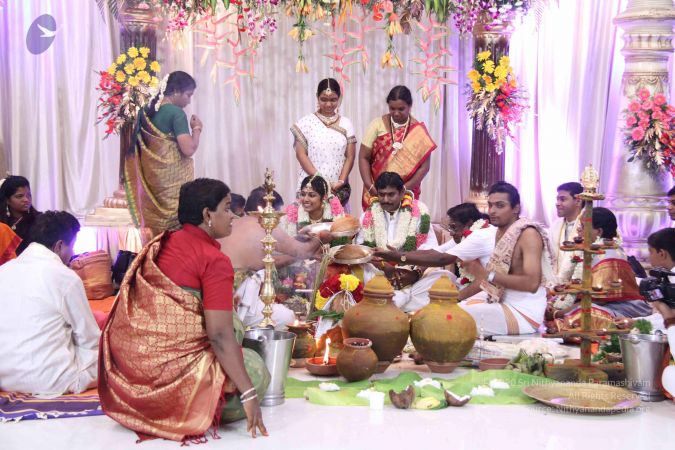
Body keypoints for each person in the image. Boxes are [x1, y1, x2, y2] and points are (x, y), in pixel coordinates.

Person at [99, 179, 269, 442]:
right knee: (256, 368)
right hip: (171, 376)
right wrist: (248, 393)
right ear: (207, 214)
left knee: (231, 323)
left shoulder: (161, 243)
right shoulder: (214, 260)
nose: (233, 216)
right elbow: (219, 335)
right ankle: (185, 409)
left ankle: (150, 408)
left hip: (129, 380)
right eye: (226, 208)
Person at [0, 211, 100, 396]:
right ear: (59, 246)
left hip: (5, 379)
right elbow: (89, 338)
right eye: (72, 246)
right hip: (50, 381)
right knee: (108, 350)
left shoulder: (3, 271)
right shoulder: (65, 277)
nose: (72, 253)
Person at [459, 182, 555, 336]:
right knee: (448, 309)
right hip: (500, 301)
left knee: (452, 318)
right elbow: (487, 280)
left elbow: (532, 284)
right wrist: (454, 298)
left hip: (523, 312)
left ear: (516, 208)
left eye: (500, 205)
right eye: (490, 205)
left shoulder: (528, 235)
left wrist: (487, 274)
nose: (492, 211)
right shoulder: (500, 232)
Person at [223, 186, 326, 329]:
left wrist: (297, 243)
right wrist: (324, 235)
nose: (278, 220)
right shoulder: (265, 224)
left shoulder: (233, 224)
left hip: (220, 297)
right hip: (236, 301)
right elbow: (304, 251)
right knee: (288, 317)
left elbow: (264, 261)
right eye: (278, 213)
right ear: (269, 210)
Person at [125, 71, 201, 236]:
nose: (189, 101)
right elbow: (188, 149)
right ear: (176, 91)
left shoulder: (145, 111)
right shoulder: (176, 113)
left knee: (156, 229)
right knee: (174, 228)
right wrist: (197, 129)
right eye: (188, 95)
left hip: (152, 182)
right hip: (171, 186)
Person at [374, 201, 497, 302]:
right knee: (442, 276)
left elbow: (441, 259)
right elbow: (434, 252)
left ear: (469, 224)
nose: (451, 233)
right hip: (471, 284)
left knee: (437, 295)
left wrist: (399, 257)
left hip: (487, 290)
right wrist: (414, 270)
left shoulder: (479, 235)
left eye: (454, 227)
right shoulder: (463, 236)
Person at [357, 172, 443, 312]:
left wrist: (413, 273)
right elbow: (362, 249)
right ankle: (396, 305)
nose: (386, 200)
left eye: (391, 194)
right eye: (381, 194)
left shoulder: (419, 212)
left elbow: (430, 250)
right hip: (378, 272)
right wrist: (381, 264)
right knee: (353, 272)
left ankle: (383, 306)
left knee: (442, 278)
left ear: (402, 192)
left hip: (412, 271)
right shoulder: (368, 215)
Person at [550, 207, 650, 320]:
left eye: (583, 226)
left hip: (621, 308)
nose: (578, 229)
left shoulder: (609, 256)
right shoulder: (591, 251)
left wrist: (558, 313)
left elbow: (597, 298)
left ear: (599, 232)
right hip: (599, 304)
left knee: (585, 313)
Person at [358, 85, 436, 209]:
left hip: (406, 192)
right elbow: (363, 157)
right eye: (392, 108)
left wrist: (403, 189)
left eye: (401, 109)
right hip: (377, 191)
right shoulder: (377, 125)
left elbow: (424, 167)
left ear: (410, 106)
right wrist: (370, 186)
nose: (396, 113)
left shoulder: (418, 131)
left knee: (405, 219)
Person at [291, 78, 356, 206]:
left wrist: (341, 181)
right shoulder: (306, 123)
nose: (328, 104)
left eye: (333, 100)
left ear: (339, 98)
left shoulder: (346, 123)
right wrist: (320, 180)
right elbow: (301, 154)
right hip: (311, 186)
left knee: (336, 218)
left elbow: (350, 156)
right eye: (324, 99)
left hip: (337, 187)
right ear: (317, 97)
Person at [280, 175, 344, 237]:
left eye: (312, 195)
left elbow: (341, 239)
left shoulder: (335, 213)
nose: (306, 199)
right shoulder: (293, 214)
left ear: (324, 197)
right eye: (303, 194)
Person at [549, 182, 584, 282]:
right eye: (557, 199)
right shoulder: (555, 226)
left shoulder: (590, 226)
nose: (557, 203)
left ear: (578, 201)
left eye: (563, 199)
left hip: (580, 284)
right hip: (556, 284)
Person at [0, 175, 40, 254]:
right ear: (7, 200)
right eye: (19, 196)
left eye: (29, 195)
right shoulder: (2, 223)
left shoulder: (40, 221)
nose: (26, 199)